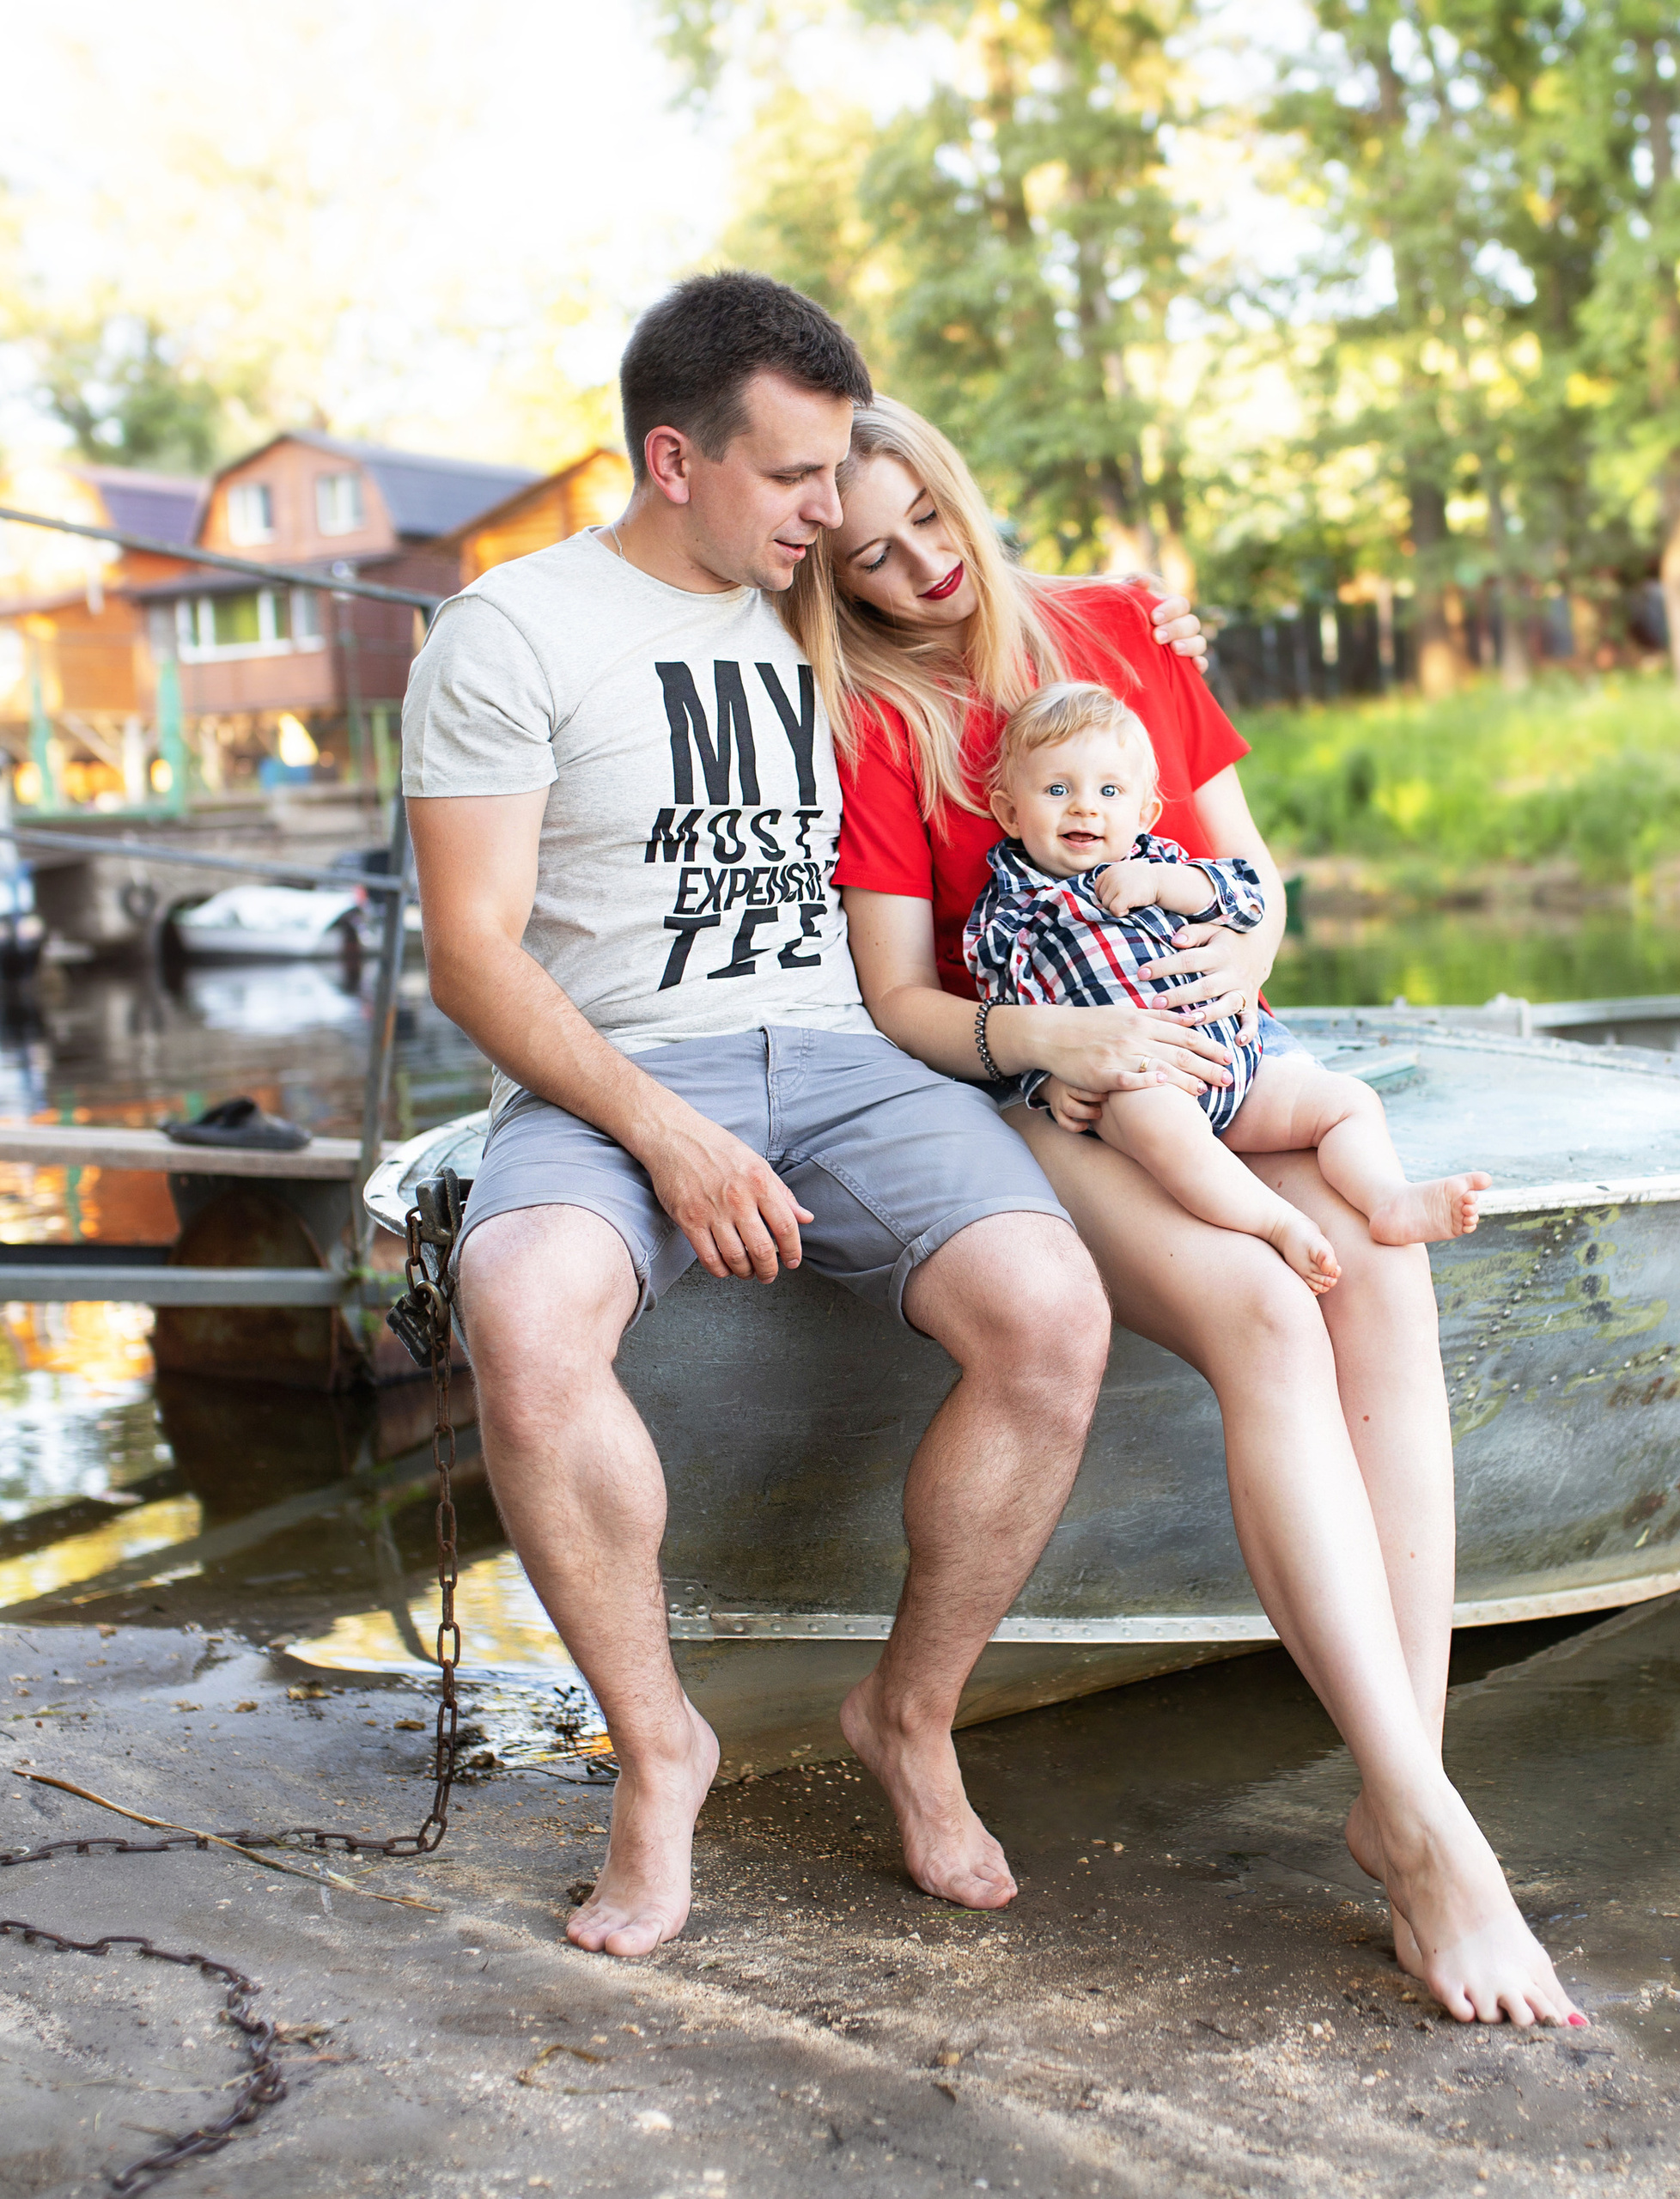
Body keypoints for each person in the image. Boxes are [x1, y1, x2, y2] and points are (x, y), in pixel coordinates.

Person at [401, 273, 1208, 1954]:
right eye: (792, 479)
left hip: (850, 1057)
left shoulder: (819, 607)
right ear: (673, 457)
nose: (832, 515)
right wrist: (670, 1134)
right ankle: (660, 1747)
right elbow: (472, 956)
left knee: (1049, 1310)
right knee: (524, 1310)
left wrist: (1150, 622)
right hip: (609, 1063)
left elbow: (1008, 623)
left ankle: (907, 1713)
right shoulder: (510, 634)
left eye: (840, 471)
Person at [788, 394, 1584, 2028]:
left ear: (960, 484)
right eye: (870, 556)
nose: (920, 568)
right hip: (1060, 1082)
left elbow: (1250, 870)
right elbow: (897, 997)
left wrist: (1247, 953)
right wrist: (1049, 1039)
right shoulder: (875, 719)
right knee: (1267, 1311)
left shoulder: (1114, 628)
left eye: (930, 520)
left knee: (1383, 1276)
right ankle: (1436, 1842)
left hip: (1222, 1043)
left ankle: (1403, 1791)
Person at [965, 679, 1493, 1290]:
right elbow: (1011, 1008)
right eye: (1058, 790)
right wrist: (1048, 1083)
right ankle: (1276, 1223)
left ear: (1144, 813)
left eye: (1109, 792)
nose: (1085, 808)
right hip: (1137, 1081)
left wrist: (1167, 885)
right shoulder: (1009, 912)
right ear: (1010, 812)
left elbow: (1247, 895)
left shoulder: (1161, 861)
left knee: (1347, 1101)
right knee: (1167, 1133)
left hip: (1232, 1061)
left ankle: (1387, 1198)